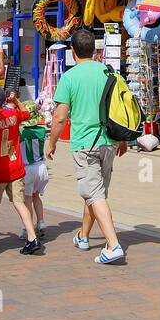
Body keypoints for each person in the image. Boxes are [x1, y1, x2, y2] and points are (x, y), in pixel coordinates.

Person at [47, 28, 125, 264]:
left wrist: (51, 143)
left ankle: (113, 245)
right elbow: (121, 108)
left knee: (93, 193)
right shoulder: (110, 72)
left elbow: (60, 117)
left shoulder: (69, 78)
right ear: (95, 50)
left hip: (85, 144)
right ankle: (83, 236)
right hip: (109, 141)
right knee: (95, 192)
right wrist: (123, 139)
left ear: (73, 51)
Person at [0, 96, 41, 255]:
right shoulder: (13, 114)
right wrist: (16, 101)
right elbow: (27, 114)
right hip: (16, 167)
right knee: (20, 203)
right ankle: (32, 237)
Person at [18, 108, 48, 240]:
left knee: (27, 201)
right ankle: (41, 222)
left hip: (27, 169)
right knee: (37, 196)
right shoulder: (41, 131)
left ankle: (27, 229)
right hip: (41, 167)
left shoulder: (21, 132)